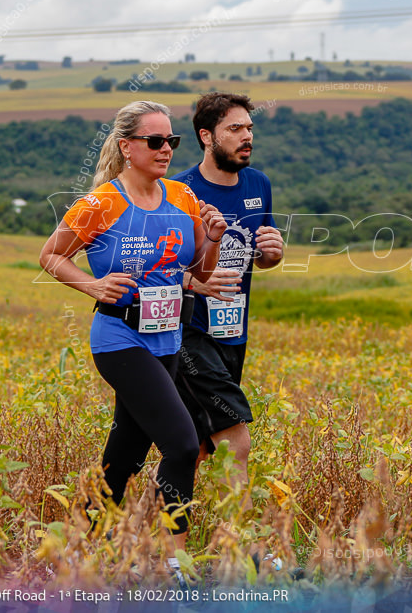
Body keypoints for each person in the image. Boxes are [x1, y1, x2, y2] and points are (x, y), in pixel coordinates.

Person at [38, 100, 227, 576]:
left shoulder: (182, 197)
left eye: (172, 141)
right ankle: (172, 562)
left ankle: (77, 551)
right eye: (155, 141)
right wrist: (92, 285)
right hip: (120, 339)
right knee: (184, 446)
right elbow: (50, 256)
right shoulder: (99, 204)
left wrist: (215, 239)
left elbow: (197, 273)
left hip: (168, 340)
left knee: (123, 457)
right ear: (127, 146)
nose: (166, 149)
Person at [171, 92, 284, 488]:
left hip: (233, 332)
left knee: (196, 446)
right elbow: (156, 268)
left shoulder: (258, 184)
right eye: (234, 128)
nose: (246, 136)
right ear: (207, 136)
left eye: (249, 128)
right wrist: (197, 281)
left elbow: (260, 257)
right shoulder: (178, 191)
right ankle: (246, 547)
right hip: (189, 331)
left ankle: (144, 535)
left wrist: (272, 254)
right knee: (236, 439)